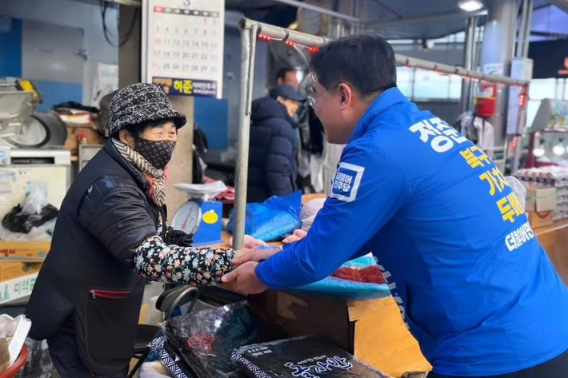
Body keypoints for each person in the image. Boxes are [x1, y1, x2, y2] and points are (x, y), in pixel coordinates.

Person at [223, 35, 568, 377]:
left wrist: (261, 275)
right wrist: (274, 256)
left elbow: (316, 259)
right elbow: (353, 235)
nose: (313, 106)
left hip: (497, 350)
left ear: (343, 95)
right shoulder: (423, 128)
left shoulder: (376, 151)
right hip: (547, 322)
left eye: (315, 93)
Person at [26, 83, 235, 378]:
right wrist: (229, 263)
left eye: (172, 132)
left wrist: (175, 239)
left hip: (102, 311)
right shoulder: (110, 186)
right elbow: (148, 257)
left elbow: (137, 230)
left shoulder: (135, 171)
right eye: (157, 132)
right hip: (80, 319)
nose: (167, 141)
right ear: (127, 136)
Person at [247, 84, 304, 203]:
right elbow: (277, 171)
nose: (296, 107)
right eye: (292, 101)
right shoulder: (282, 128)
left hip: (252, 199)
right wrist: (284, 204)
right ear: (280, 100)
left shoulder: (255, 124)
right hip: (270, 204)